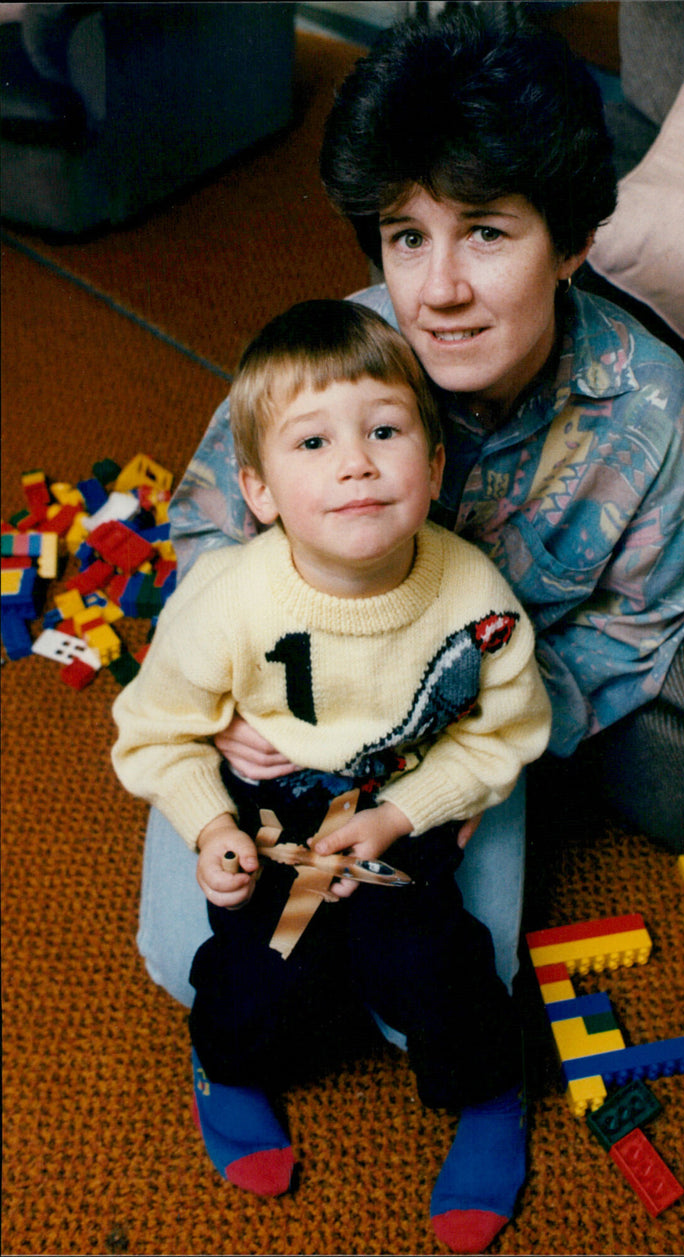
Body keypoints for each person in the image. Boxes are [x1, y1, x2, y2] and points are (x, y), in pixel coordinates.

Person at [136, 8, 684, 1037]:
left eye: (484, 232)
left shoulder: (651, 411)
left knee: (427, 1008)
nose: (436, 293)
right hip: (284, 714)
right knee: (188, 970)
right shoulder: (327, 369)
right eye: (406, 238)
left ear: (568, 243)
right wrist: (224, 705)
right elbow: (207, 526)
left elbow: (641, 620)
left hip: (464, 736)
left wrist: (477, 750)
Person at [113, 299, 552, 1253]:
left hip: (400, 797)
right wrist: (211, 830)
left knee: (435, 964)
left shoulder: (474, 595)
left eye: (386, 431)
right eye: (312, 442)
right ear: (260, 489)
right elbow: (151, 736)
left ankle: (488, 1091)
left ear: (433, 468)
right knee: (256, 976)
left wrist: (405, 814)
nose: (356, 462)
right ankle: (227, 1071)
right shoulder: (225, 597)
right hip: (273, 807)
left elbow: (507, 733)